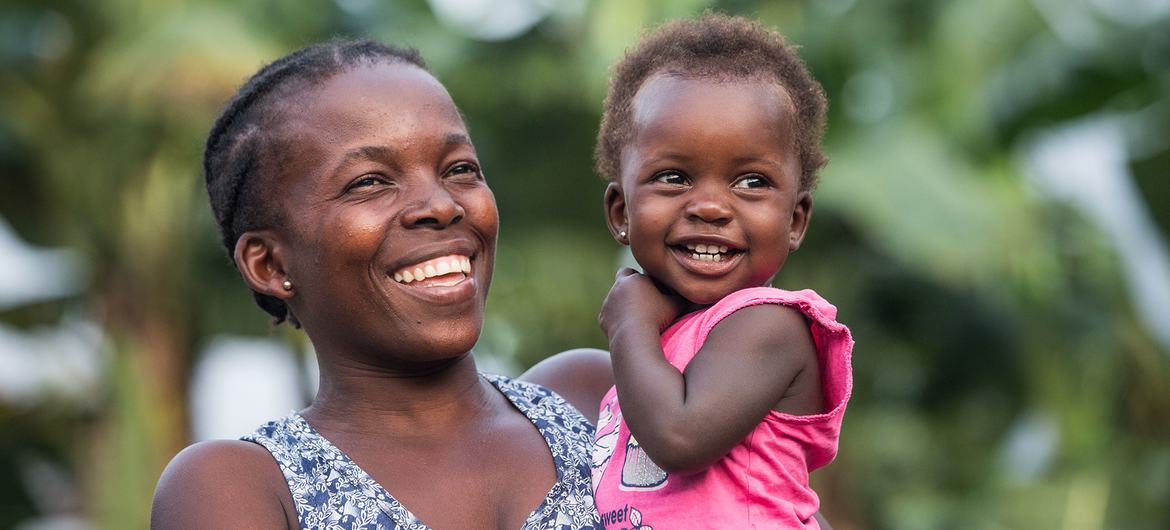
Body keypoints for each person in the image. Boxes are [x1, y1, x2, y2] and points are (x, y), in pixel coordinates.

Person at [151, 40, 612, 530]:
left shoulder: (592, 397)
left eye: (459, 169)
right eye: (369, 182)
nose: (440, 205)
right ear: (268, 264)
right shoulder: (236, 485)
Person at [589, 14, 854, 529]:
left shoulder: (770, 326)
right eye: (673, 177)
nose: (710, 206)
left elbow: (680, 439)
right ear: (622, 212)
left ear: (795, 220)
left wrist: (628, 323)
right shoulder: (657, 349)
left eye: (751, 182)